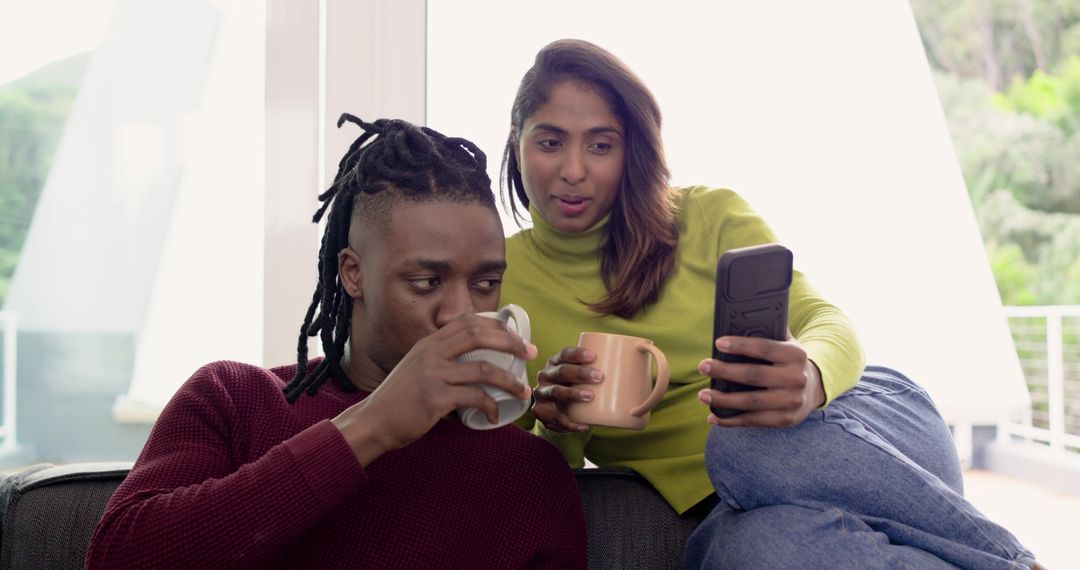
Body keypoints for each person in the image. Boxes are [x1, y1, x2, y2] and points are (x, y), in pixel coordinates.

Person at [499, 38, 1040, 569]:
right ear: (517, 142)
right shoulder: (498, 282)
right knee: (753, 552)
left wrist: (808, 377)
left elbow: (826, 321)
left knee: (740, 443)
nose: (573, 169)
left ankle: (1011, 562)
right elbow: (535, 469)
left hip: (855, 424)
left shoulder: (708, 216)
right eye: (550, 143)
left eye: (600, 144)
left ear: (631, 150)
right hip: (729, 508)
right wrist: (560, 425)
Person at [86, 116, 587, 569]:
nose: (461, 313)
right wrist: (372, 426)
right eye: (426, 282)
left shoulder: (529, 471)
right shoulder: (233, 399)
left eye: (484, 284)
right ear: (353, 273)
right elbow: (118, 558)